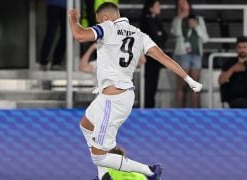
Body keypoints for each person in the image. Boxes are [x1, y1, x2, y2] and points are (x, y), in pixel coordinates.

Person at [68, 2, 202, 179]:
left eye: (99, 21)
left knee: (99, 156)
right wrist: (189, 79)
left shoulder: (107, 27)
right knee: (86, 125)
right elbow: (163, 57)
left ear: (106, 18)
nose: (99, 24)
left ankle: (149, 171)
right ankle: (103, 176)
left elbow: (79, 35)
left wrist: (73, 19)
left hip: (112, 100)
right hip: (113, 96)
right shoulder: (140, 35)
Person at [171, 0, 208, 108]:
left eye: (184, 3)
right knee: (181, 84)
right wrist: (179, 18)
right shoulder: (176, 19)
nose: (182, 5)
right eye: (180, 3)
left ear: (189, 5)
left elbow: (205, 38)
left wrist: (196, 26)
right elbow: (176, 33)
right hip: (182, 55)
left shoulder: (199, 19)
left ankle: (195, 112)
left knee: (195, 85)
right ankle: (180, 111)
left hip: (196, 54)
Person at [218, 36, 247, 108]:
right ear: (236, 49)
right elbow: (221, 81)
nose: (242, 50)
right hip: (234, 99)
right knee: (241, 103)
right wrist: (233, 69)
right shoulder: (230, 63)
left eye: (244, 47)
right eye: (239, 47)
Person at [140, 0, 167, 108]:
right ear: (151, 8)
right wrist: (159, 35)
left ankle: (151, 105)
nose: (159, 7)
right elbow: (155, 36)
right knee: (149, 83)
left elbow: (164, 35)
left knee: (154, 83)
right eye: (157, 5)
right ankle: (147, 105)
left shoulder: (156, 19)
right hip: (149, 56)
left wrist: (160, 35)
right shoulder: (146, 19)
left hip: (156, 56)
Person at [39, 0, 66, 71]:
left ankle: (55, 62)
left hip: (66, 6)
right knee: (51, 33)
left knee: (65, 35)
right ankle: (44, 61)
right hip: (55, 4)